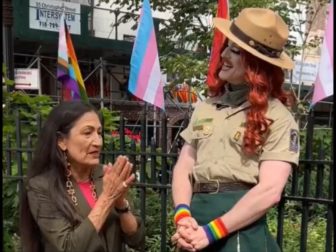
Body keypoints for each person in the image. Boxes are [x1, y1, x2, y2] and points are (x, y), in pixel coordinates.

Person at [171, 8, 300, 252]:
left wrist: (212, 232)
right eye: (227, 46)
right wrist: (183, 216)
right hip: (195, 222)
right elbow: (184, 167)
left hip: (239, 227)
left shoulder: (279, 118)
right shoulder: (206, 106)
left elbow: (270, 191)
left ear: (256, 65)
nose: (224, 54)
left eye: (235, 50)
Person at [20, 101, 145, 252]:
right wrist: (107, 198)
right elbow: (68, 247)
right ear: (62, 141)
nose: (98, 142)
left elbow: (136, 239)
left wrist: (120, 204)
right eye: (87, 133)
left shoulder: (106, 176)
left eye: (99, 133)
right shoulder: (41, 187)